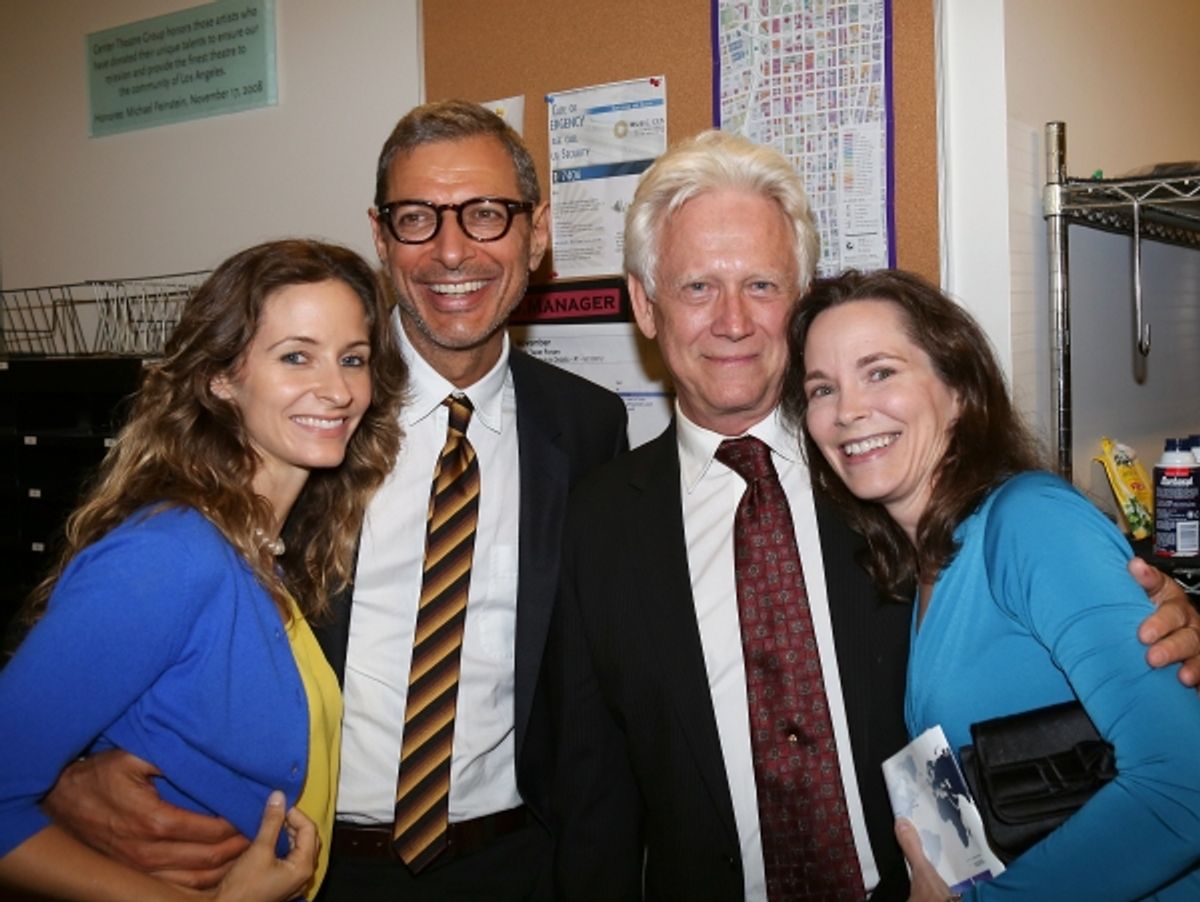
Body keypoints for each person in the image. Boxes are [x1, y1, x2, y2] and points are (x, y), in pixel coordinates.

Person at [544, 129, 1200, 901]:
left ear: (798, 299)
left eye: (761, 285)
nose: (732, 321)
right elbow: (595, 798)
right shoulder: (596, 522)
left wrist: (1165, 618)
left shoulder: (886, 485)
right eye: (696, 288)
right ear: (644, 306)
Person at [44, 100, 629, 901]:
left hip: (514, 860)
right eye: (417, 218)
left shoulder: (589, 424)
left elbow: (594, 680)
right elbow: (100, 609)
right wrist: (63, 778)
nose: (452, 250)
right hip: (302, 864)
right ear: (381, 238)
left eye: (486, 214)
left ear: (537, 233)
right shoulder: (311, 411)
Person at [0, 238, 406, 901]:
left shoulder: (270, 549)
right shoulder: (172, 556)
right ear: (222, 377)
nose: (337, 390)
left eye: (353, 359)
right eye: (296, 356)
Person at [789, 268, 1200, 899]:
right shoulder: (913, 566)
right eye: (822, 388)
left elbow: (1184, 786)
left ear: (958, 390)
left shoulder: (1030, 521)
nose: (847, 410)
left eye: (880, 372)